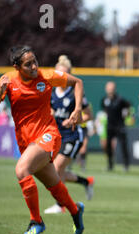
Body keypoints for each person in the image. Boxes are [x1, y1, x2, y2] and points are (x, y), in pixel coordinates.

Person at [0, 45, 85, 234]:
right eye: (28, 64)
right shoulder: (6, 80)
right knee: (54, 185)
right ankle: (75, 211)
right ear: (17, 67)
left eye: (35, 61)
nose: (34, 67)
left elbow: (78, 82)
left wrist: (78, 109)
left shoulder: (46, 76)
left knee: (21, 170)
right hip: (27, 143)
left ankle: (36, 221)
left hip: (49, 135)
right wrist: (0, 94)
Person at [44, 55, 95, 214]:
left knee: (57, 168)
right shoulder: (51, 92)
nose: (61, 78)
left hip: (73, 136)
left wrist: (75, 120)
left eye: (64, 75)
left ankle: (61, 205)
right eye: (58, 74)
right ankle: (86, 182)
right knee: (57, 172)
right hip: (57, 137)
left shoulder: (75, 93)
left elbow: (89, 115)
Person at [101, 81, 131, 171]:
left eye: (112, 88)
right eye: (109, 88)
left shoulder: (120, 99)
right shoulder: (104, 100)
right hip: (110, 125)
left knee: (123, 145)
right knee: (108, 146)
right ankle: (110, 165)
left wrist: (126, 115)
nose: (110, 90)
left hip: (119, 125)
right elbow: (104, 110)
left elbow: (128, 106)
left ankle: (126, 165)